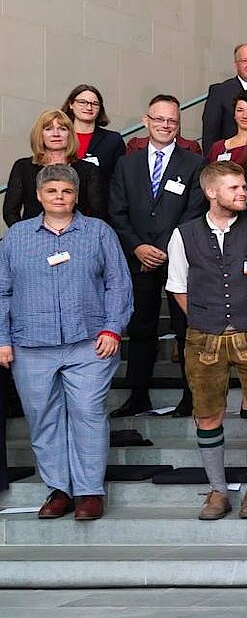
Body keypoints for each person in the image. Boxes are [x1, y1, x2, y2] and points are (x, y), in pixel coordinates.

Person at [0, 164, 132, 521]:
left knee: (88, 413)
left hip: (89, 343)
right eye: (52, 191)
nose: (60, 197)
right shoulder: (16, 237)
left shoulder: (98, 232)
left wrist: (113, 328)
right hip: (30, 345)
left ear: (76, 196)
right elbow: (2, 291)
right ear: (39, 196)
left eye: (67, 191)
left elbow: (118, 283)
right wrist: (2, 340)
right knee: (43, 417)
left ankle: (89, 492)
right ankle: (59, 490)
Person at [165, 161, 247, 520]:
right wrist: (206, 316)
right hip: (204, 338)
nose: (243, 192)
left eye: (243, 187)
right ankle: (217, 490)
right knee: (207, 415)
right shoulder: (183, 234)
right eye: (234, 188)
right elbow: (179, 288)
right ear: (212, 192)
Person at [106, 95, 206, 417]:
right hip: (137, 259)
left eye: (172, 121)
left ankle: (191, 397)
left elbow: (194, 211)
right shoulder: (126, 163)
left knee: (184, 327)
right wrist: (137, 246)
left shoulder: (194, 164)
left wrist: (163, 248)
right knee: (141, 327)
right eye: (159, 119)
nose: (165, 125)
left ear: (179, 124)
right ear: (146, 120)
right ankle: (138, 396)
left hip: (177, 259)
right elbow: (116, 211)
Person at [6, 109, 102, 224]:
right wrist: (24, 236)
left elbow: (98, 213)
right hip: (32, 238)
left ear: (70, 134)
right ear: (40, 134)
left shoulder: (88, 169)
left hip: (76, 237)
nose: (56, 134)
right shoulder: (23, 167)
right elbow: (10, 212)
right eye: (48, 129)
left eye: (62, 129)